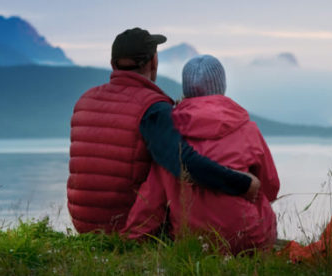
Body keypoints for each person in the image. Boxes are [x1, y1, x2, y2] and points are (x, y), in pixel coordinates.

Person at [67, 28, 260, 233]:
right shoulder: (152, 107)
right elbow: (184, 163)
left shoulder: (85, 100)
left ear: (113, 65)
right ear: (153, 63)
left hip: (84, 224)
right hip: (127, 224)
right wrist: (243, 184)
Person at [123, 55, 279, 253]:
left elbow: (152, 198)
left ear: (186, 89)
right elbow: (271, 186)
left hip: (192, 240)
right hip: (249, 239)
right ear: (221, 87)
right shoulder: (248, 129)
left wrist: (131, 238)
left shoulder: (169, 136)